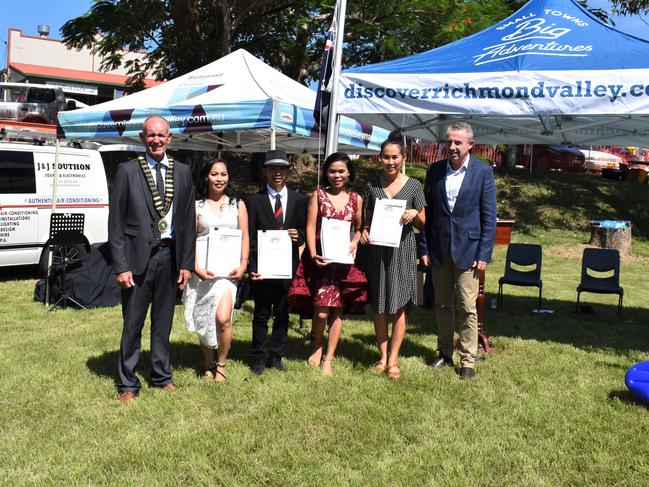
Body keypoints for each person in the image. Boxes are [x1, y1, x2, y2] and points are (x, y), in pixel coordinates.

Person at [109, 115, 196, 403]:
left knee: (163, 322)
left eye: (161, 135)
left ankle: (161, 376)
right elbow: (116, 223)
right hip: (136, 259)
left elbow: (186, 221)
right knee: (133, 322)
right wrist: (120, 265)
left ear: (170, 138)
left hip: (170, 256)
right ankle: (127, 383)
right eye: (151, 135)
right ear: (142, 138)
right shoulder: (128, 171)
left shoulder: (183, 171)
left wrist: (186, 263)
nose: (156, 140)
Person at [423, 121, 496, 380]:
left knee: (467, 306)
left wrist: (484, 254)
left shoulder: (483, 172)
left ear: (470, 145)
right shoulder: (434, 171)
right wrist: (425, 248)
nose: (452, 147)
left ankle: (468, 361)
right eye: (449, 142)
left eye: (457, 142)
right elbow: (427, 213)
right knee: (442, 305)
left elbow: (489, 217)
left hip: (469, 251)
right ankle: (444, 353)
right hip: (439, 249)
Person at [288, 152, 367, 376]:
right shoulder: (318, 195)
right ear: (326, 173)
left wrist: (354, 241)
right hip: (321, 261)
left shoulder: (356, 199)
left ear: (349, 172)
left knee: (337, 310)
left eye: (341, 171)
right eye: (332, 171)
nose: (337, 175)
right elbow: (310, 226)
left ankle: (329, 357)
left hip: (343, 263)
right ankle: (317, 345)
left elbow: (360, 227)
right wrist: (312, 254)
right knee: (321, 311)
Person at [360, 133, 426, 380]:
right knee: (379, 305)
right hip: (378, 251)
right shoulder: (372, 186)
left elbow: (423, 224)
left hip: (404, 251)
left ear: (403, 158)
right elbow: (365, 221)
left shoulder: (414, 186)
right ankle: (382, 355)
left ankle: (394, 359)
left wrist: (413, 213)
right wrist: (364, 231)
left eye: (395, 157)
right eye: (386, 157)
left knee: (399, 306)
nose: (390, 161)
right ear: (380, 158)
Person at [182, 159, 249, 382]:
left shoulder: (238, 204)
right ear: (206, 177)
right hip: (203, 271)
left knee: (222, 318)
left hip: (227, 273)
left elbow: (245, 236)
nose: (219, 178)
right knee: (204, 317)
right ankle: (208, 362)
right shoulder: (196, 206)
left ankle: (221, 363)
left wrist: (243, 263)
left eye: (223, 174)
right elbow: (189, 238)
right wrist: (195, 268)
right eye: (214, 174)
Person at [247, 149, 308, 375]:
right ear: (265, 171)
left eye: (281, 168)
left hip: (287, 267)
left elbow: (304, 229)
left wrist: (298, 236)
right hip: (263, 269)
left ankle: (277, 355)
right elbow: (250, 237)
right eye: (272, 168)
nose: (277, 172)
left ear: (288, 171)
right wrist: (253, 268)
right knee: (261, 314)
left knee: (283, 314)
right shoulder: (254, 201)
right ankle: (259, 357)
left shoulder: (300, 200)